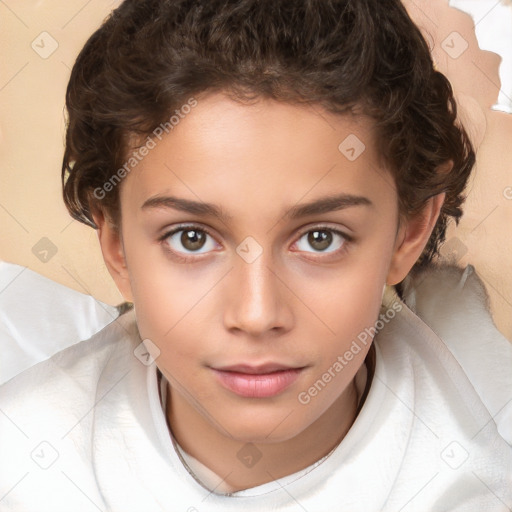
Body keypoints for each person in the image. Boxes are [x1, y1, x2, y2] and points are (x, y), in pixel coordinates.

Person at [1, 0, 511, 510]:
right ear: (116, 243)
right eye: (192, 238)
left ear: (409, 231)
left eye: (320, 239)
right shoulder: (23, 469)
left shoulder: (479, 487)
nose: (256, 314)